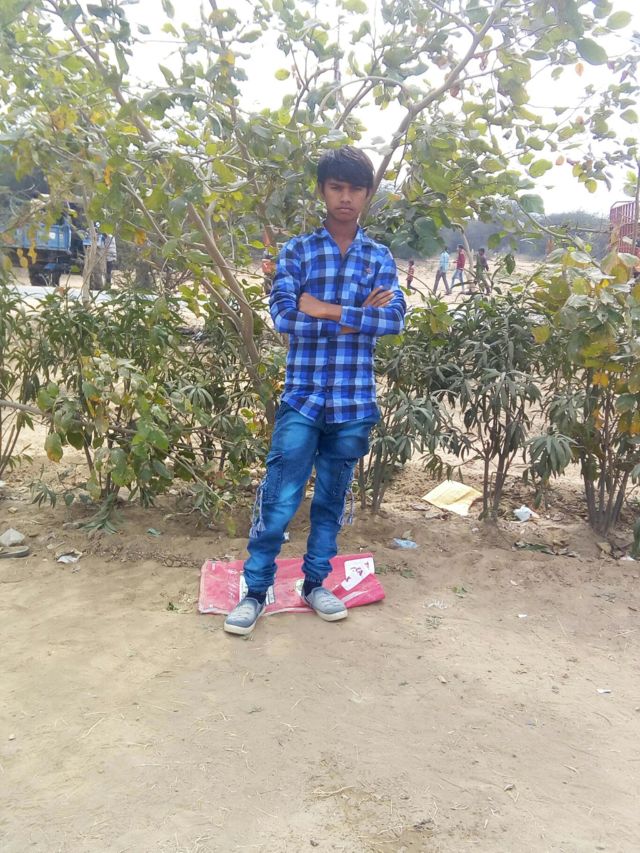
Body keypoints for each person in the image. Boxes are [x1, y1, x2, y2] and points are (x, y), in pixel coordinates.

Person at [224, 146, 406, 635]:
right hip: (302, 398)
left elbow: (394, 319)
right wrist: (359, 317)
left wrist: (325, 310)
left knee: (331, 500)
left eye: (355, 189)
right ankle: (255, 591)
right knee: (279, 499)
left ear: (367, 194)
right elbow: (284, 317)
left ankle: (315, 584)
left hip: (353, 401)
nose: (345, 197)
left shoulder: (378, 256)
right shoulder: (298, 251)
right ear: (323, 191)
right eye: (336, 187)